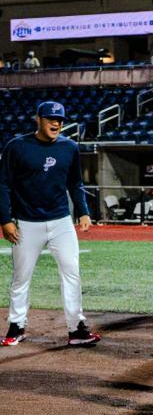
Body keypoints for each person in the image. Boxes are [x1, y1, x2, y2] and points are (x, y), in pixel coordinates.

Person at [0, 101, 102, 347]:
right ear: (38, 119)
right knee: (21, 276)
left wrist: (83, 211)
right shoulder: (17, 146)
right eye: (50, 119)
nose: (56, 123)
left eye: (60, 120)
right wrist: (5, 220)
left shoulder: (70, 147)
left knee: (72, 273)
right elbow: (2, 185)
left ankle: (76, 328)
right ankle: (16, 326)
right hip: (26, 223)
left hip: (61, 222)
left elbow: (75, 183)